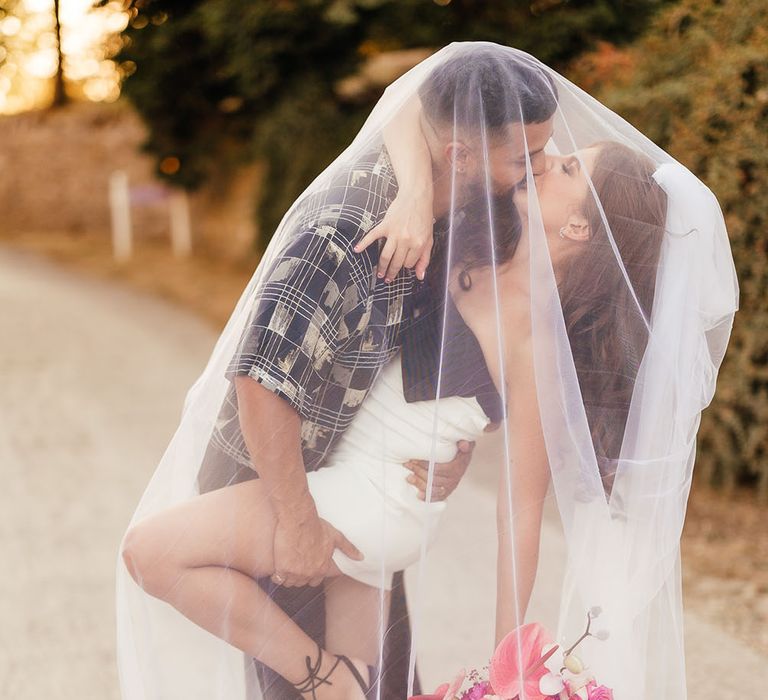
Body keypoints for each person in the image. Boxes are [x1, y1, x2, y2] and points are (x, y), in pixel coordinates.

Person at [117, 43, 738, 700]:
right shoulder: (474, 220)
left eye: (562, 169)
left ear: (581, 228)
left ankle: (321, 676)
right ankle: (345, 679)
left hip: (372, 502)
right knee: (380, 687)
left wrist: (510, 669)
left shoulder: (537, 345)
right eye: (541, 156)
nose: (543, 162)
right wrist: (414, 194)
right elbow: (421, 107)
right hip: (373, 502)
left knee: (151, 551)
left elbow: (519, 511)